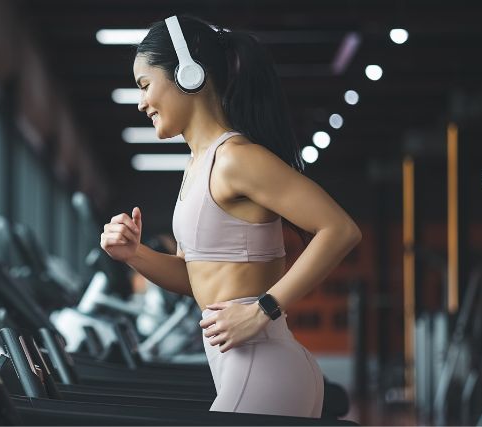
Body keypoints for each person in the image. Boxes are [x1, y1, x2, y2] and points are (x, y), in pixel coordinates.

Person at [100, 15, 361, 418]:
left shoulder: (235, 159)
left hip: (264, 367)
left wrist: (263, 309)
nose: (141, 102)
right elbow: (198, 279)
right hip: (251, 368)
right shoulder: (199, 166)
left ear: (188, 74)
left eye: (145, 85)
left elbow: (340, 230)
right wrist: (134, 254)